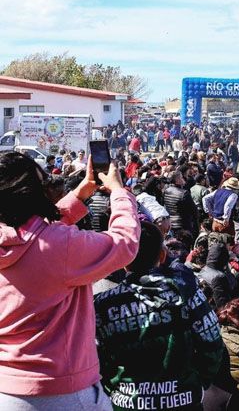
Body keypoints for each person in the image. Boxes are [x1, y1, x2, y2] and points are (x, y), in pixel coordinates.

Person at [0, 153, 140, 409]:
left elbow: (33, 236)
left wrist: (82, 193)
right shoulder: (59, 246)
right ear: (31, 192)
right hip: (60, 391)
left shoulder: (22, 240)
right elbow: (124, 243)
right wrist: (120, 192)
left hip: (6, 388)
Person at [94, 220, 225, 411]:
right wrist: (196, 382)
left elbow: (93, 359)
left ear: (124, 260)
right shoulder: (187, 294)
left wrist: (114, 388)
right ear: (163, 255)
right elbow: (212, 343)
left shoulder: (102, 304)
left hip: (127, 402)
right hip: (183, 401)